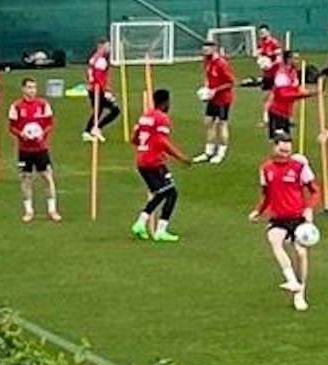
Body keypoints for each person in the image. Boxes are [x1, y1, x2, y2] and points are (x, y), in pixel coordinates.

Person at [250, 135, 320, 312]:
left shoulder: (299, 167)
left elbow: (315, 191)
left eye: (288, 150)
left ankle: (300, 293)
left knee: (301, 254)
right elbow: (266, 195)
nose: (285, 153)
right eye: (282, 150)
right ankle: (291, 280)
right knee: (274, 240)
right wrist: (258, 211)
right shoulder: (266, 169)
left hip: (297, 217)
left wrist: (309, 209)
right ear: (274, 148)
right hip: (278, 218)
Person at [131, 86, 190, 243]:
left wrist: (146, 145)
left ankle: (141, 223)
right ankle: (160, 230)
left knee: (162, 192)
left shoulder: (145, 116)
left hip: (142, 160)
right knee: (170, 193)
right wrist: (180, 157)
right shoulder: (162, 118)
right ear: (165, 103)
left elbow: (134, 138)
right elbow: (161, 141)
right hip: (153, 162)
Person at [8, 77, 61, 223]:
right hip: (24, 150)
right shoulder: (16, 106)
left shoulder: (43, 105)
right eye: (29, 88)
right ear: (23, 89)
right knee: (26, 179)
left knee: (47, 177)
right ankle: (29, 211)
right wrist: (22, 135)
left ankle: (52, 210)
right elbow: (11, 127)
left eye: (34, 88)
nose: (32, 91)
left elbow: (50, 124)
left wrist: (43, 134)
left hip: (41, 149)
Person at [200, 42, 237, 164]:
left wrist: (215, 90)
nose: (204, 52)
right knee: (208, 122)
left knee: (222, 124)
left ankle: (221, 153)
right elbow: (207, 77)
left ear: (214, 49)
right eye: (203, 50)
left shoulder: (221, 63)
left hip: (223, 99)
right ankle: (208, 152)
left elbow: (231, 82)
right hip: (213, 98)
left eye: (207, 50)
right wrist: (206, 89)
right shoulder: (207, 61)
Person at [264, 49, 311, 141]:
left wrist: (305, 92)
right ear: (289, 59)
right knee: (282, 142)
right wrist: (303, 95)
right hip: (277, 112)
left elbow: (295, 89)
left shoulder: (293, 73)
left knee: (285, 142)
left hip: (286, 113)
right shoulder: (281, 74)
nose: (297, 61)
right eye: (295, 58)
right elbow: (284, 95)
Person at [82, 38, 121, 142]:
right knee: (115, 110)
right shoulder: (101, 60)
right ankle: (96, 128)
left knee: (98, 111)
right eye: (107, 46)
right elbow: (99, 77)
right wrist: (106, 91)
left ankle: (88, 131)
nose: (109, 48)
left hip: (93, 88)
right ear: (101, 46)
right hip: (97, 89)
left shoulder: (93, 58)